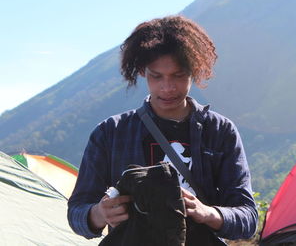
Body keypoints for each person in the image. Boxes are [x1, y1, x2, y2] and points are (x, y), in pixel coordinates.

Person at [67, 15, 258, 243]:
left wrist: (207, 213)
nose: (167, 87)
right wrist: (99, 213)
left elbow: (247, 218)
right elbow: (77, 212)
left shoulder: (220, 131)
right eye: (156, 76)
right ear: (141, 72)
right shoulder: (110, 133)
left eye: (178, 75)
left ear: (194, 71)